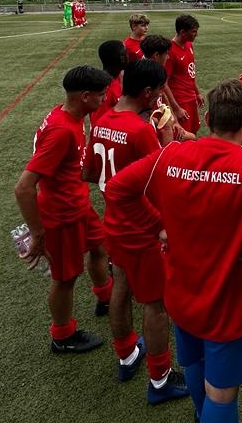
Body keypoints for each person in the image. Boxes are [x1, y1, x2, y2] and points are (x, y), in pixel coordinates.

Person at [107, 78, 242, 422]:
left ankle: (200, 413)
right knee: (221, 392)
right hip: (230, 302)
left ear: (207, 120)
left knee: (194, 363)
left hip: (181, 294)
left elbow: (117, 190)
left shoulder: (169, 155)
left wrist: (157, 227)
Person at [84, 61, 189, 403]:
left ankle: (127, 354)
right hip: (143, 228)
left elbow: (89, 173)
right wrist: (168, 138)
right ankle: (159, 380)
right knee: (156, 304)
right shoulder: (140, 131)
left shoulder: (101, 120)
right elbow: (163, 177)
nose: (160, 97)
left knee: (121, 287)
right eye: (158, 92)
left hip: (114, 222)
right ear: (146, 92)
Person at [13, 66, 113, 353]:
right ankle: (63, 335)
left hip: (78, 204)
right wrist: (38, 233)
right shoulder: (61, 131)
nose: (104, 99)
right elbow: (23, 187)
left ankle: (106, 298)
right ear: (85, 96)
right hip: (62, 215)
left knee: (100, 248)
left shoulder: (70, 115)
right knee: (65, 277)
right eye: (101, 95)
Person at [163, 15, 204, 135]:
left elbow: (190, 72)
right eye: (194, 32)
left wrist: (197, 92)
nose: (196, 34)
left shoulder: (189, 45)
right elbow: (164, 83)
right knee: (183, 136)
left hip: (191, 97)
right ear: (182, 32)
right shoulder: (170, 51)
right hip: (180, 100)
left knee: (194, 131)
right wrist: (176, 108)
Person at [94, 40, 129, 125]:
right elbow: (99, 124)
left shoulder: (118, 77)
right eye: (126, 53)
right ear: (122, 58)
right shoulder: (105, 89)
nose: (128, 56)